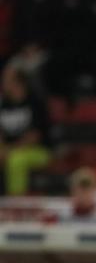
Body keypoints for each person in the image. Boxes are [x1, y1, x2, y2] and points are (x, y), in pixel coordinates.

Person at [0, 64, 50, 195]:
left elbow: (35, 136)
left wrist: (9, 150)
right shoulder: (3, 103)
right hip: (9, 148)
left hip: (39, 150)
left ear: (18, 82)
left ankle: (16, 203)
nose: (2, 82)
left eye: (6, 79)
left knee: (16, 160)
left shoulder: (35, 102)